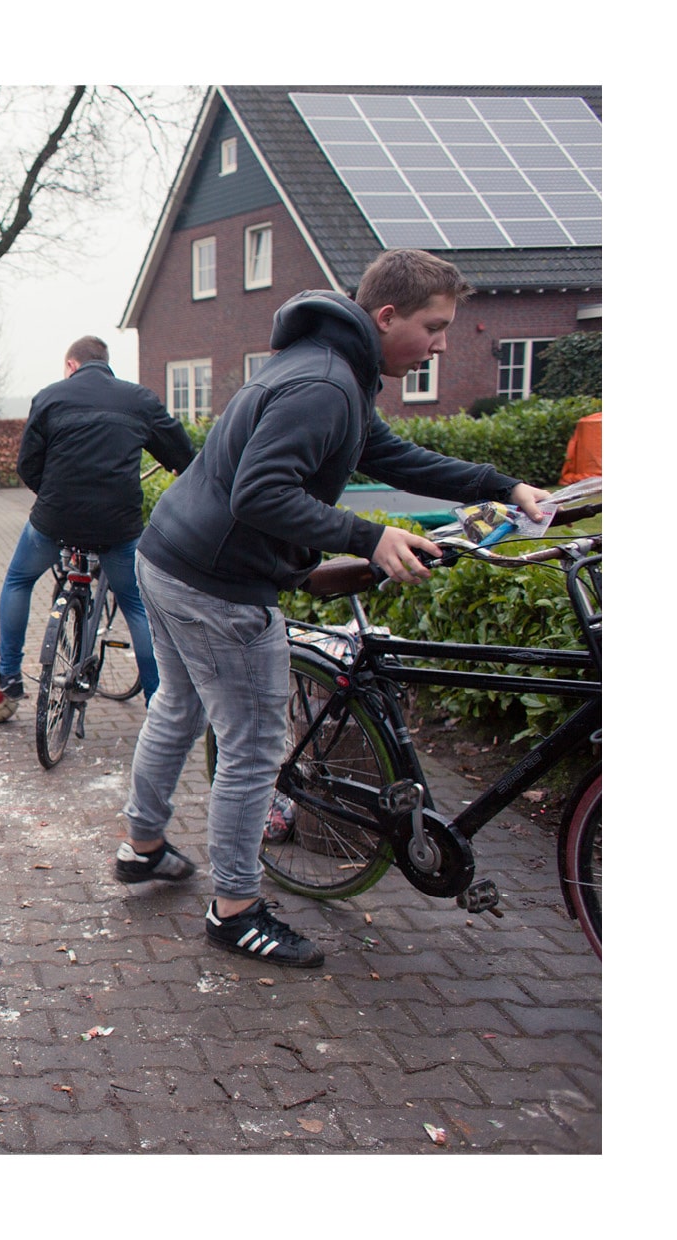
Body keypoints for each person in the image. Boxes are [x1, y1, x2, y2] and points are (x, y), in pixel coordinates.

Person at [116, 249, 551, 967]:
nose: (442, 344)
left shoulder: (331, 368)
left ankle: (142, 846)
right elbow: (260, 494)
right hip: (219, 584)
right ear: (387, 316)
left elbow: (390, 455)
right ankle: (234, 911)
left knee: (179, 707)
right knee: (253, 745)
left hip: (169, 555)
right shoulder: (324, 383)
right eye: (434, 327)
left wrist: (498, 485)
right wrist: (369, 536)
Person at [0, 336, 195, 704]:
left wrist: (53, 496)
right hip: (117, 525)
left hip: (55, 519)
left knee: (19, 581)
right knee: (136, 604)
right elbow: (184, 457)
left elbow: (27, 465)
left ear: (71, 365)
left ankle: (9, 677)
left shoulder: (50, 397)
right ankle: (159, 705)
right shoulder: (140, 399)